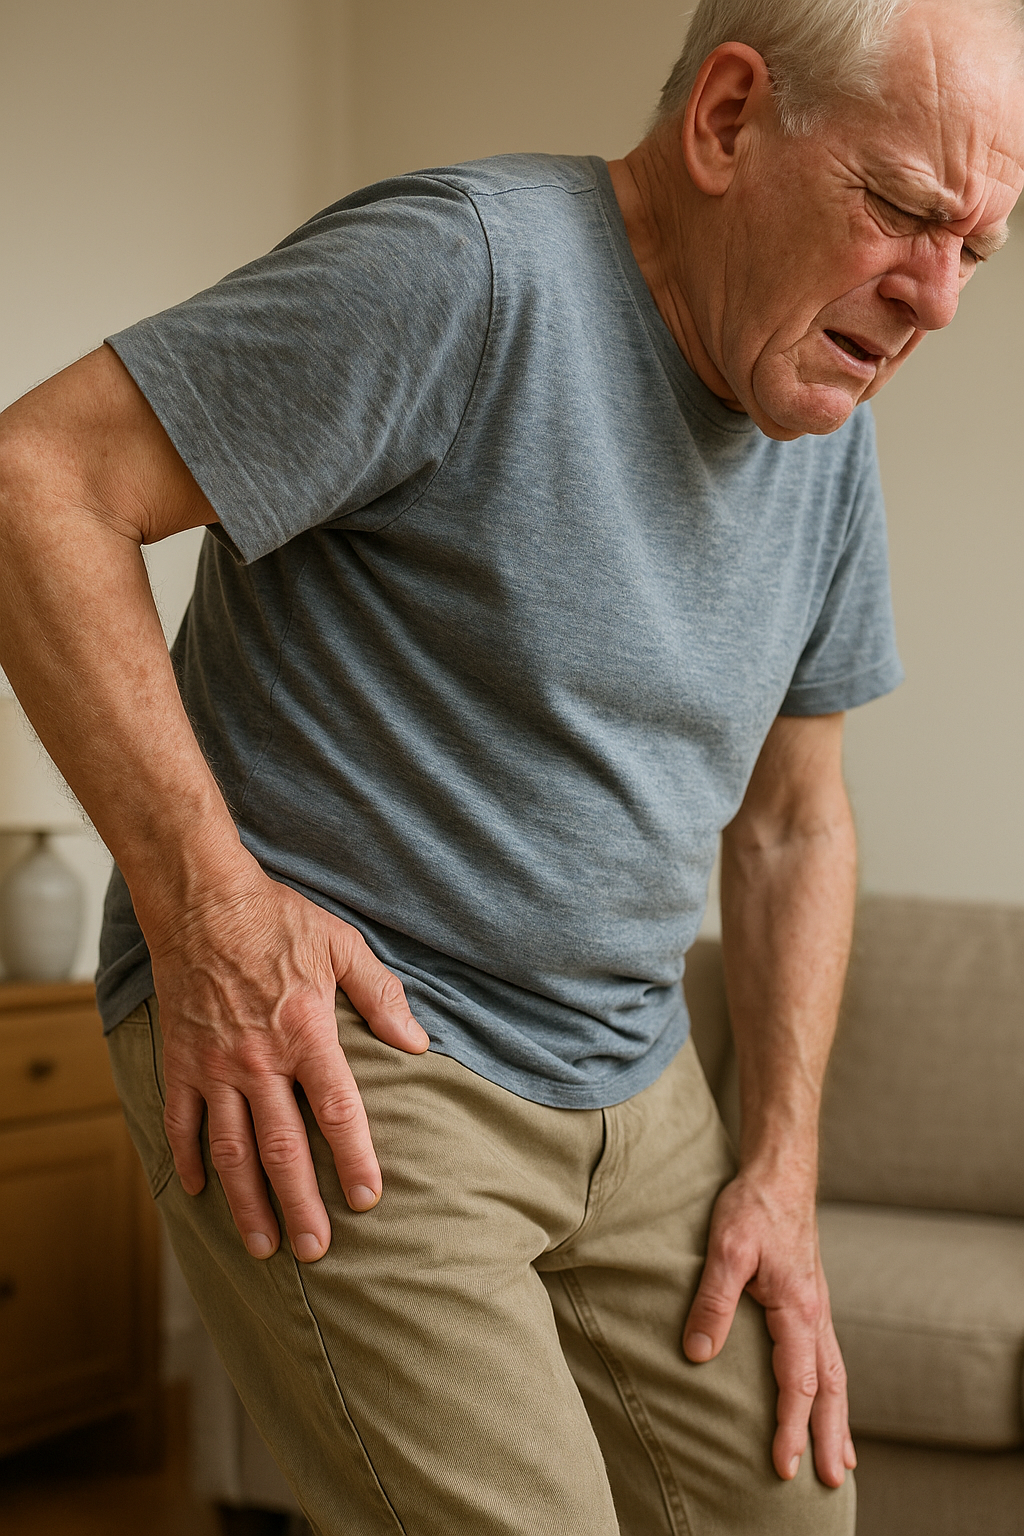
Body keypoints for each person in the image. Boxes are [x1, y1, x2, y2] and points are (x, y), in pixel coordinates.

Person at [1, 0, 1022, 1531]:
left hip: (639, 1077)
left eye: (980, 251)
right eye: (905, 211)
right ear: (730, 119)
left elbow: (795, 827)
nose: (936, 298)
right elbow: (40, 486)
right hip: (363, 1054)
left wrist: (781, 1164)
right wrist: (209, 912)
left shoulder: (824, 431)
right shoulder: (469, 272)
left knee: (794, 1517)